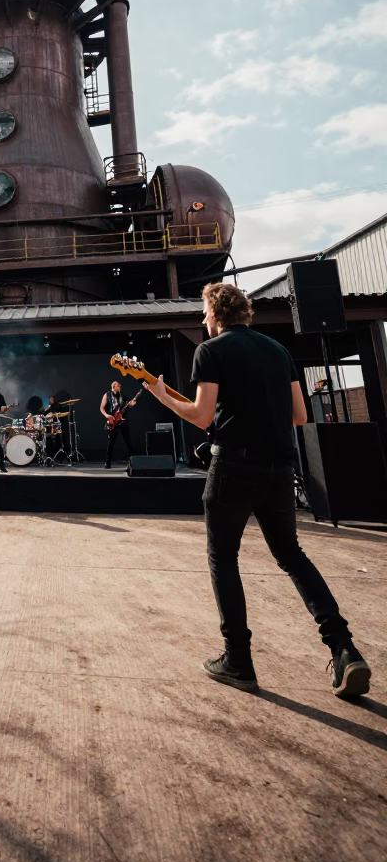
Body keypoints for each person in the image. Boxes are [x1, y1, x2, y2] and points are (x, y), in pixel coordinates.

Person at [146, 281, 371, 699]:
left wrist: (162, 396)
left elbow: (200, 415)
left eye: (203, 313)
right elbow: (300, 415)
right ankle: (344, 649)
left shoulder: (209, 351)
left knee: (223, 559)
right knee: (292, 555)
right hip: (280, 468)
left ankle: (238, 661)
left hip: (233, 466)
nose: (201, 320)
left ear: (215, 313)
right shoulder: (277, 351)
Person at [100, 380, 136, 468]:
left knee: (129, 441)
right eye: (117, 386)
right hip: (112, 421)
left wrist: (132, 403)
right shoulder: (107, 395)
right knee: (111, 443)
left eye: (120, 386)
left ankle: (133, 462)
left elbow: (130, 403)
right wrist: (107, 416)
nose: (119, 387)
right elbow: (101, 408)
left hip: (122, 420)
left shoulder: (122, 396)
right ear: (113, 387)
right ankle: (107, 463)